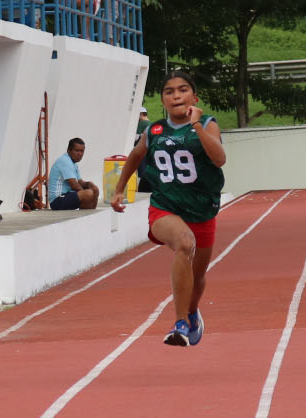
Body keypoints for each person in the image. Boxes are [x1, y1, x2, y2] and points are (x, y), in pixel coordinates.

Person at [110, 70, 227, 347]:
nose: (176, 95)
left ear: (194, 97)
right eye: (169, 91)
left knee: (197, 278)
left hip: (202, 210)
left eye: (183, 89)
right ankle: (180, 323)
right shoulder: (154, 131)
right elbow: (136, 156)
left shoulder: (208, 124)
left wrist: (196, 126)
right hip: (165, 208)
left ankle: (191, 311)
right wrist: (118, 190)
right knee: (185, 244)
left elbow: (219, 159)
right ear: (162, 100)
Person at [47, 137, 99, 210]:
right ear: (69, 150)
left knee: (95, 189)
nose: (79, 154)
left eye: (82, 151)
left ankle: (90, 214)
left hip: (66, 195)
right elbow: (74, 186)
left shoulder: (73, 163)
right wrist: (86, 194)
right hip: (57, 200)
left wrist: (89, 184)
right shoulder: (65, 161)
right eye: (77, 150)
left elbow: (80, 182)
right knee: (88, 194)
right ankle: (85, 216)